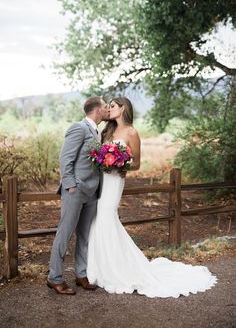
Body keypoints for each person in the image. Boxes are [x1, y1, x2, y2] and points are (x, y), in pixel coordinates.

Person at [87, 97, 217, 298]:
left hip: (115, 181)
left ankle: (116, 269)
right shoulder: (108, 131)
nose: (109, 110)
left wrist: (119, 163)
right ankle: (102, 265)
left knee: (106, 215)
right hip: (101, 180)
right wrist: (104, 160)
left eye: (112, 106)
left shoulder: (132, 132)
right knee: (99, 217)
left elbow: (137, 163)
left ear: (123, 109)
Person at [47, 96, 109, 295]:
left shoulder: (98, 131)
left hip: (92, 192)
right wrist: (70, 185)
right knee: (64, 234)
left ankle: (81, 274)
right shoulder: (79, 127)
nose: (108, 110)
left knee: (85, 235)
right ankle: (54, 277)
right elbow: (66, 158)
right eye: (105, 107)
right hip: (76, 190)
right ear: (97, 110)